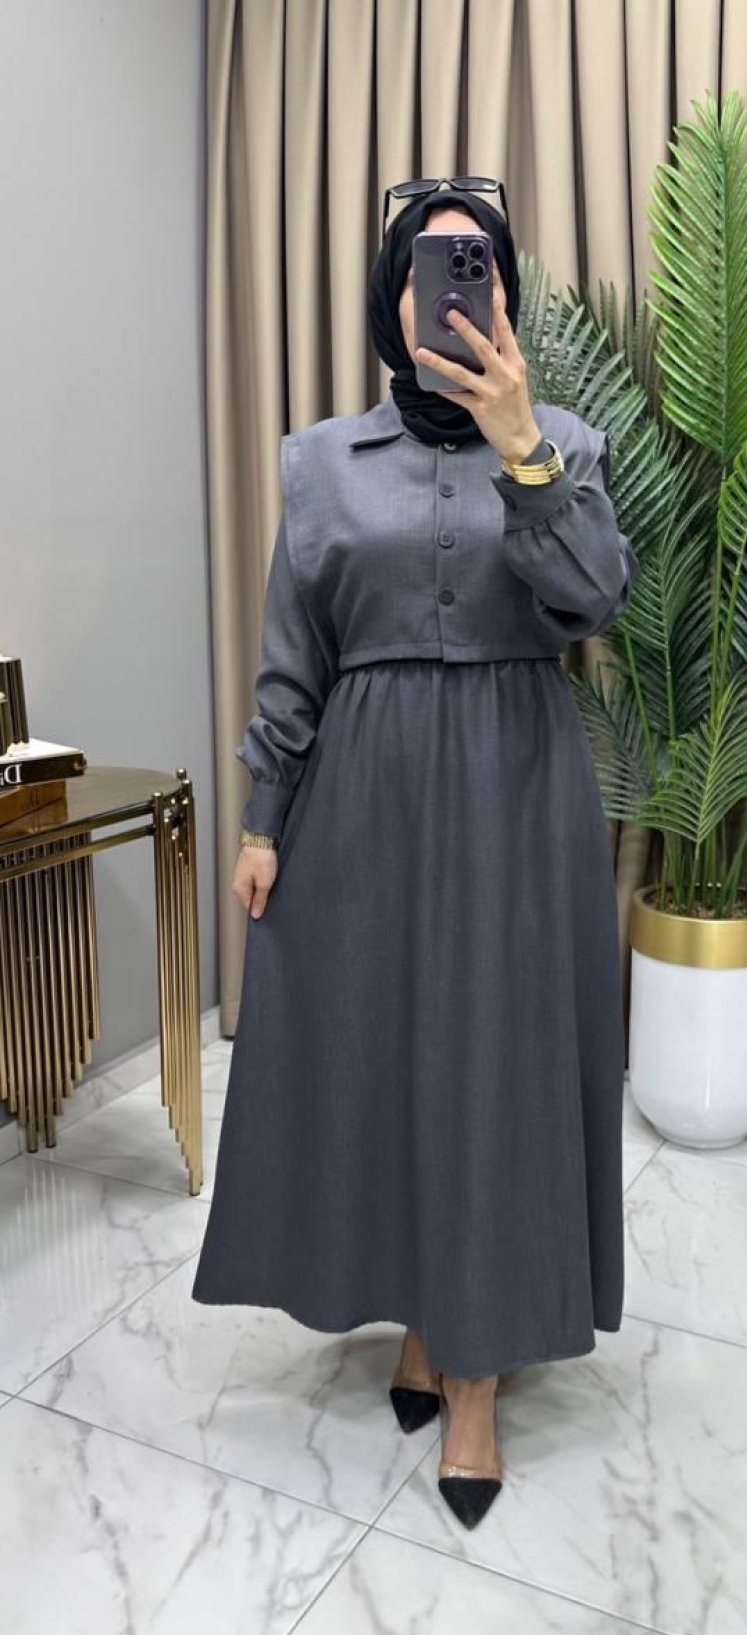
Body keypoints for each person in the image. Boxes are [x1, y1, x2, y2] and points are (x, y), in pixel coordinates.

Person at [192, 179, 639, 1531]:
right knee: (386, 1056)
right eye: (429, 267)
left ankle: (478, 1378)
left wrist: (523, 449)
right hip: (363, 794)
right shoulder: (323, 462)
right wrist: (263, 817)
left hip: (516, 787)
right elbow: (295, 652)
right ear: (396, 300)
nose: (453, 287)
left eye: (477, 264)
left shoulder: (564, 442)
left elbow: (593, 599)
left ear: (503, 293)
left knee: (497, 1067)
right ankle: (424, 1319)